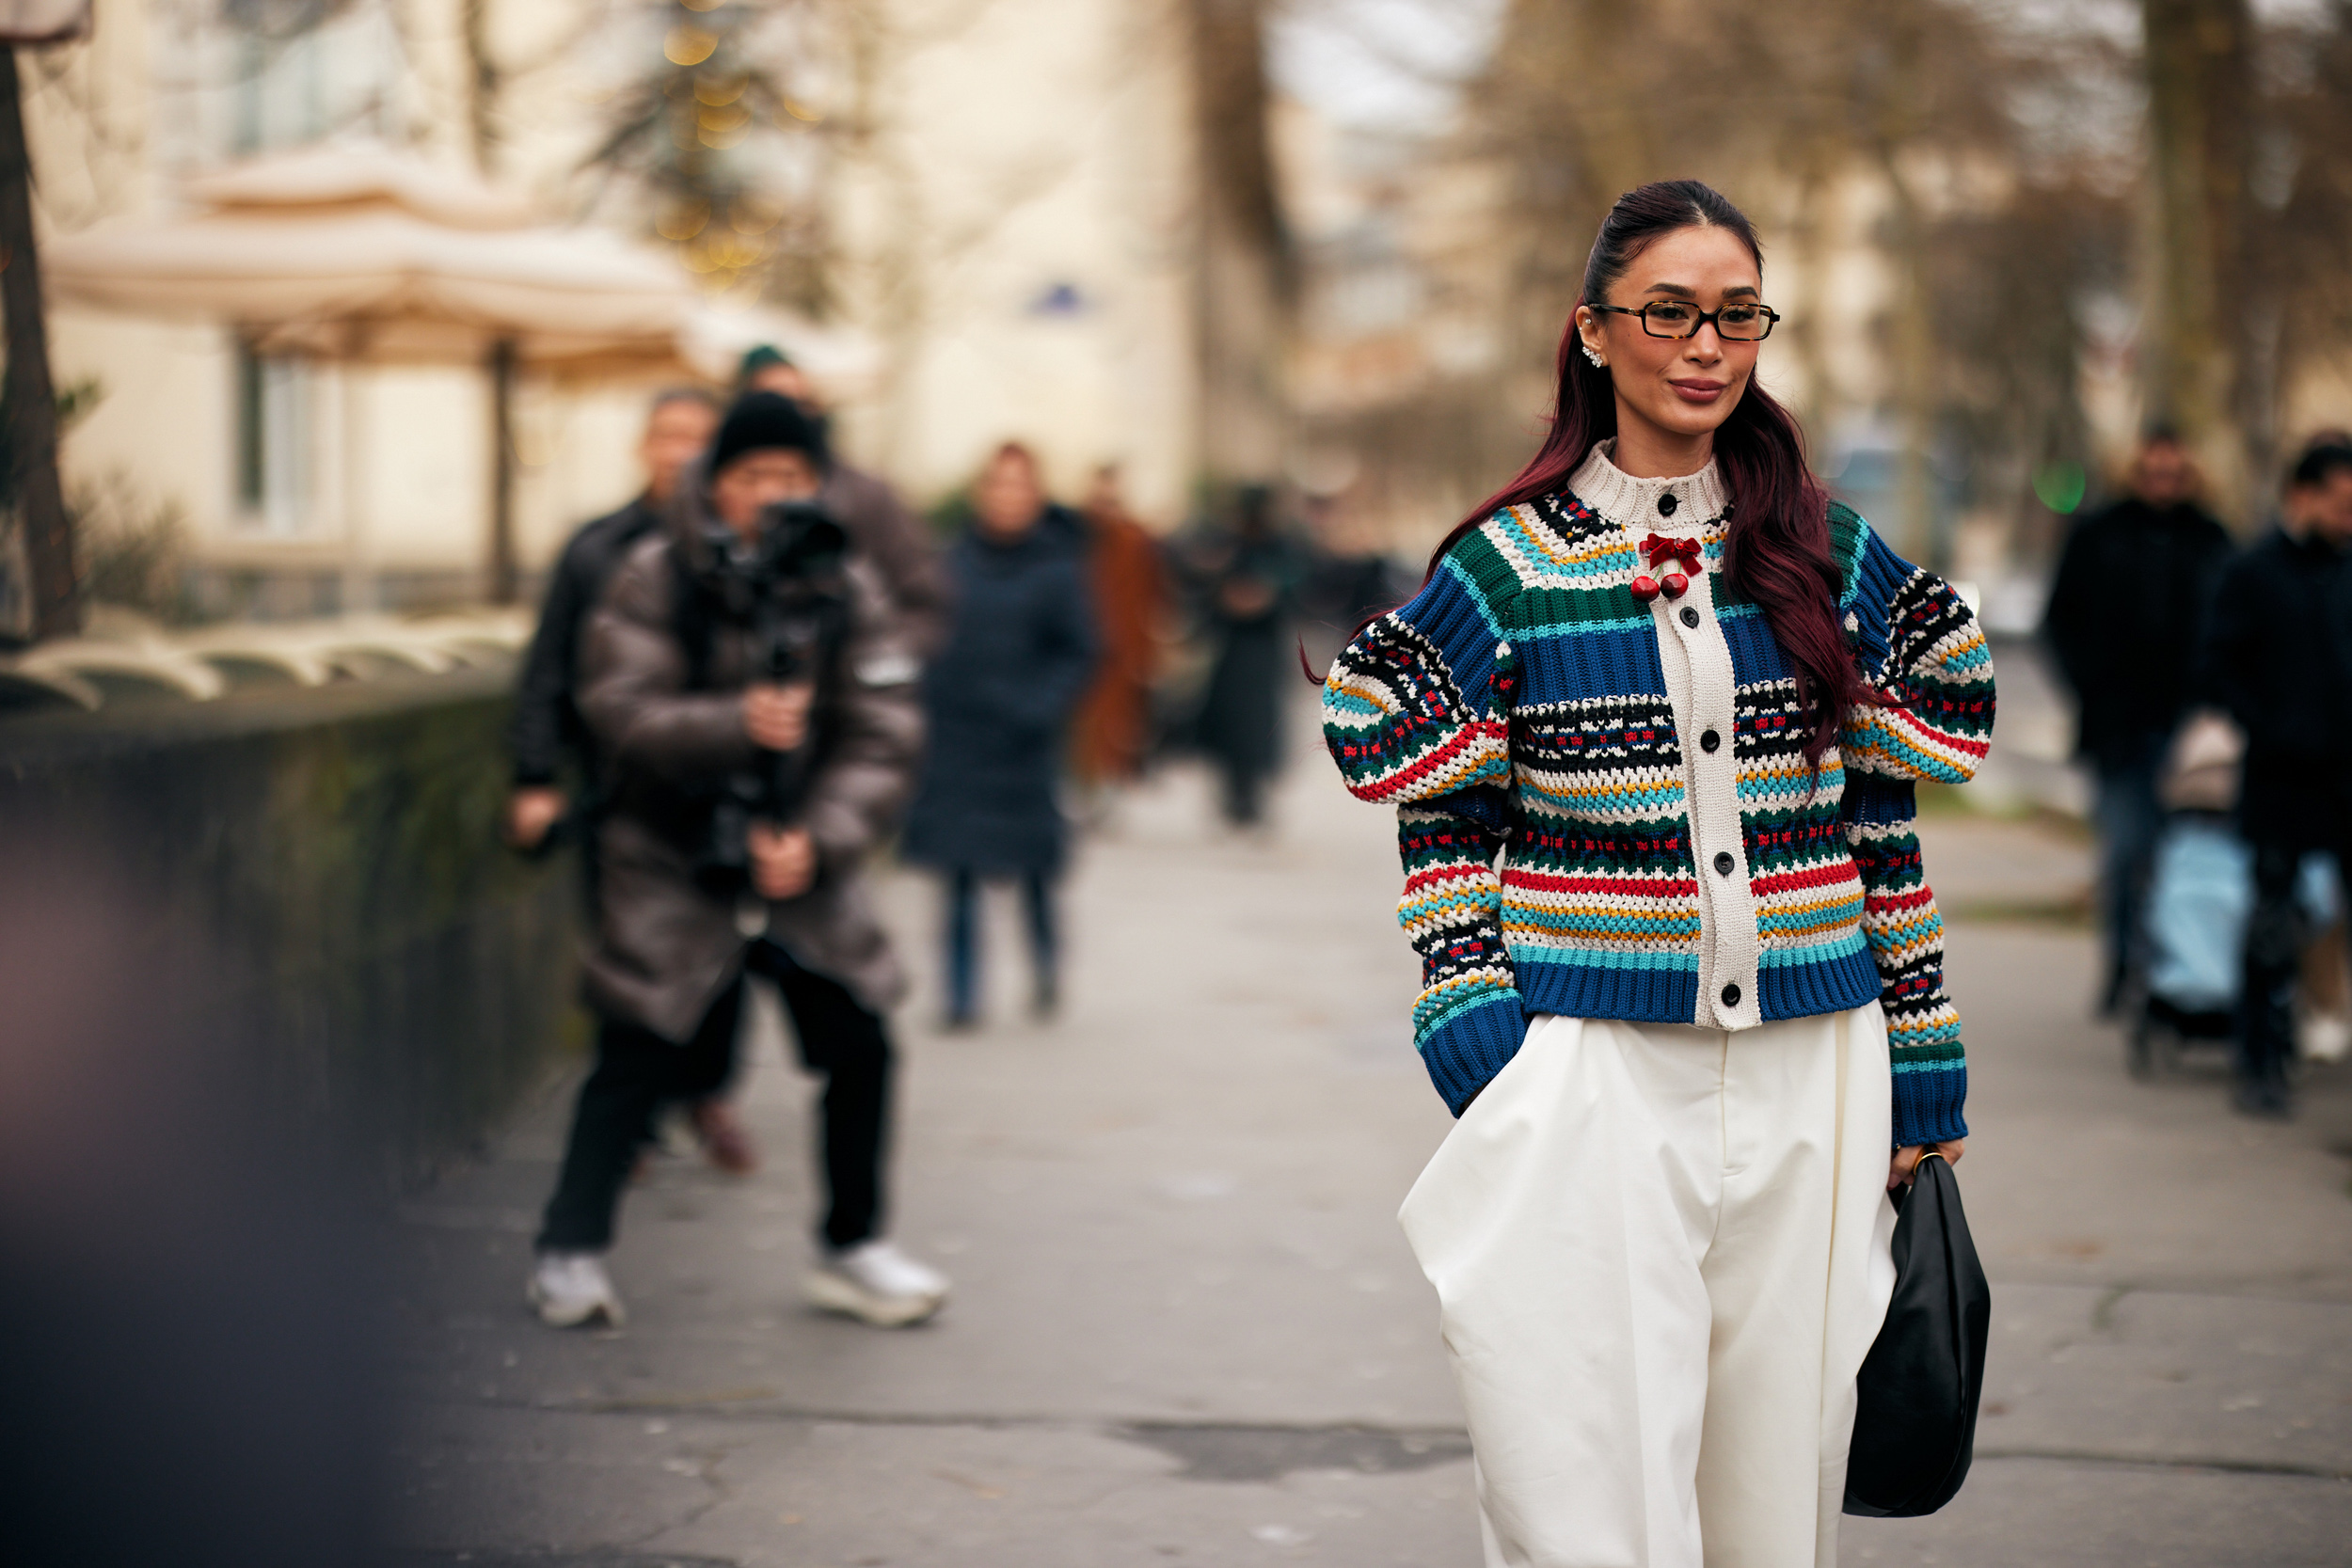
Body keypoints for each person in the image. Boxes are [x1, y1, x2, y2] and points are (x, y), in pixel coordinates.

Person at [1318, 181, 1993, 1566]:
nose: (1706, 345)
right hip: (1596, 1069)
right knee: (1579, 1484)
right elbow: (1438, 811)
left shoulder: (1825, 551)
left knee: (1769, 1488)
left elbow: (1884, 823)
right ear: (1593, 333)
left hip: (1820, 1062)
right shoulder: (1508, 567)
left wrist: (1923, 1067)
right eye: (1670, 312)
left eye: (1737, 314)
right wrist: (1480, 1029)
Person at [529, 392, 949, 1330]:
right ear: (714, 482)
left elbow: (885, 732)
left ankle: (852, 1246)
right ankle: (570, 1245)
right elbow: (617, 707)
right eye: (752, 474)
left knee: (860, 1040)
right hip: (671, 854)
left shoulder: (846, 582)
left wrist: (821, 835)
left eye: (791, 476)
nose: (772, 493)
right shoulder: (653, 571)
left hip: (802, 860)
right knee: (635, 1048)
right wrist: (731, 725)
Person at [505, 388, 759, 1175]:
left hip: (721, 786)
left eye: (696, 437)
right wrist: (534, 774)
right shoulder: (596, 549)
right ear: (642, 446)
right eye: (665, 435)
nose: (678, 450)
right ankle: (639, 1119)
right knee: (627, 959)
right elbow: (548, 668)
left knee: (726, 956)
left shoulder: (749, 550)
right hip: (620, 791)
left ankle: (705, 1091)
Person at [899, 443, 1098, 1027]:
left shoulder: (1059, 568)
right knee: (957, 872)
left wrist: (1040, 705)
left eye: (1020, 487)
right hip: (957, 740)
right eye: (998, 486)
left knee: (1033, 870)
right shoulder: (947, 564)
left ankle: (1044, 972)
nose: (1008, 498)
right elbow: (922, 636)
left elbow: (1081, 650)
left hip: (1024, 743)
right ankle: (961, 997)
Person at [2043, 429, 2232, 1014]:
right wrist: (2090, 689)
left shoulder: (2211, 541)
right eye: (2153, 473)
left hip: (2190, 728)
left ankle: (2172, 976)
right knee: (2126, 853)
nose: (2163, 484)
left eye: (2173, 475)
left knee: (2183, 858)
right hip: (2118, 727)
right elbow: (2061, 621)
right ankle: (2123, 967)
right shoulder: (2101, 535)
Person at [2201, 437, 2352, 1118]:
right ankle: (2260, 1060)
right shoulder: (2254, 571)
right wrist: (2269, 723)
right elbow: (2216, 664)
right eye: (2342, 500)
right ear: (2304, 494)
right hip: (2282, 777)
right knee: (2272, 922)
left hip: (2345, 775)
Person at [737, 344, 954, 657]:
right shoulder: (717, 500)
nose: (789, 417)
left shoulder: (867, 495)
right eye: (772, 403)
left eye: (801, 402)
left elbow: (924, 602)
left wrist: (870, 662)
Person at [1184, 485, 1306, 825]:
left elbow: (1294, 590)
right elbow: (1204, 592)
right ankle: (1233, 794)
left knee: (1256, 728)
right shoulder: (1228, 546)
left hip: (1262, 652)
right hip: (1231, 652)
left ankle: (1250, 796)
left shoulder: (1279, 547)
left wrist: (1263, 598)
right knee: (1228, 725)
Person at [1070, 463, 1167, 794]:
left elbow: (1152, 598)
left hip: (1124, 646)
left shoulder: (1136, 540)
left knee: (1120, 724)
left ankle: (1112, 783)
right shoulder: (1078, 539)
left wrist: (1150, 649)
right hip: (1084, 642)